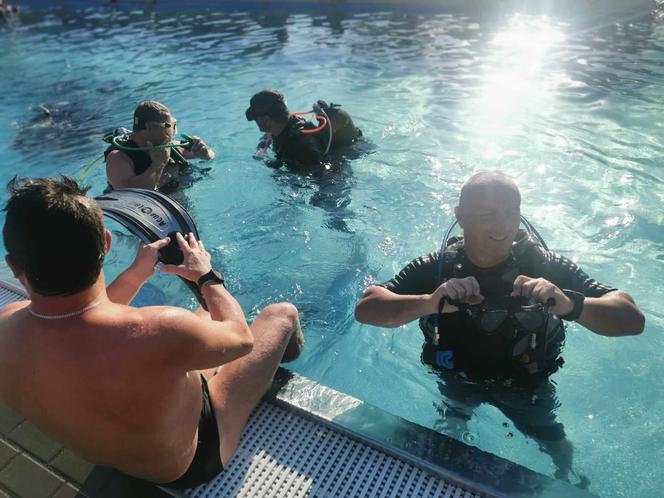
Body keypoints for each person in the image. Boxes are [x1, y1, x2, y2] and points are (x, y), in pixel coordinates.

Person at [0, 176, 304, 490]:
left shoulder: (6, 326)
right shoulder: (162, 329)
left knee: (200, 319)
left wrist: (136, 274)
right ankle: (281, 361)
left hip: (103, 448)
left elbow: (78, 321)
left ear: (14, 265)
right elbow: (241, 340)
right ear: (106, 243)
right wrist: (206, 277)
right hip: (185, 465)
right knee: (279, 315)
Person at [355, 171, 644, 484]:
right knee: (448, 438)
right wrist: (429, 300)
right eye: (488, 213)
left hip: (526, 385)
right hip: (457, 377)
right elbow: (367, 308)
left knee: (555, 447)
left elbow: (631, 318)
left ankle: (568, 479)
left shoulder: (544, 266)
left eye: (511, 213)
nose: (503, 225)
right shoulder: (438, 267)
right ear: (461, 217)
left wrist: (569, 303)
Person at [105, 101, 215, 193]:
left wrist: (204, 152)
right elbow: (129, 193)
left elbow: (209, 155)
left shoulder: (168, 147)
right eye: (169, 127)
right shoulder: (118, 158)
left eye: (174, 127)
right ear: (149, 127)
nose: (172, 133)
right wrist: (158, 164)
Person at [245, 89, 362, 172]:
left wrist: (269, 164)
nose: (256, 122)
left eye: (256, 118)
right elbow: (268, 137)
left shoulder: (303, 146)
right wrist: (261, 148)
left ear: (266, 120)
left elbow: (323, 175)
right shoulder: (282, 128)